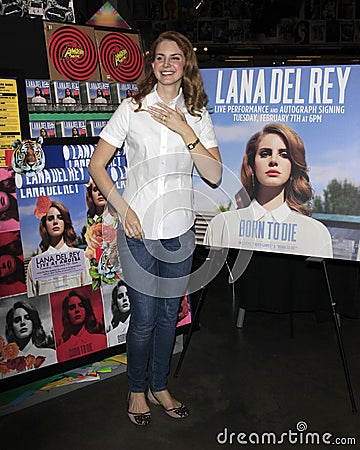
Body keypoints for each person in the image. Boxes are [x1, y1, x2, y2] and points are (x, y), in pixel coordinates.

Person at [88, 30, 221, 426]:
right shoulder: (132, 108)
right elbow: (97, 164)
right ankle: (135, 390)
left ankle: (159, 386)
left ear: (186, 64)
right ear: (151, 62)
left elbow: (213, 175)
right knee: (144, 317)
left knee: (168, 316)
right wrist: (122, 208)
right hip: (138, 231)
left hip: (180, 232)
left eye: (175, 58)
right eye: (160, 57)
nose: (166, 64)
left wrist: (186, 131)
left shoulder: (196, 115)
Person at [204, 123, 333, 258]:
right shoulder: (222, 225)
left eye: (284, 155)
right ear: (252, 164)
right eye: (265, 154)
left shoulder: (316, 233)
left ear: (293, 165)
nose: (273, 160)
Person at [26, 198, 91, 297]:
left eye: (60, 217)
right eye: (50, 218)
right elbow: (33, 298)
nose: (55, 221)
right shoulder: (34, 265)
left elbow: (89, 293)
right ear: (44, 225)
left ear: (65, 223)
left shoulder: (81, 257)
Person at [56, 289, 107, 361]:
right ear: (67, 313)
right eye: (72, 307)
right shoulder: (61, 351)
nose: (77, 310)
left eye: (81, 305)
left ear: (86, 309)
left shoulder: (101, 340)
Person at [5, 299, 57, 367]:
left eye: (27, 318)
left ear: (34, 322)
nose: (23, 322)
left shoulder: (51, 355)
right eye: (17, 320)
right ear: (11, 327)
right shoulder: (6, 364)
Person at [106, 279, 131, 346]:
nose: (125, 298)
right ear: (116, 303)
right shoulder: (110, 336)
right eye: (120, 296)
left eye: (127, 294)